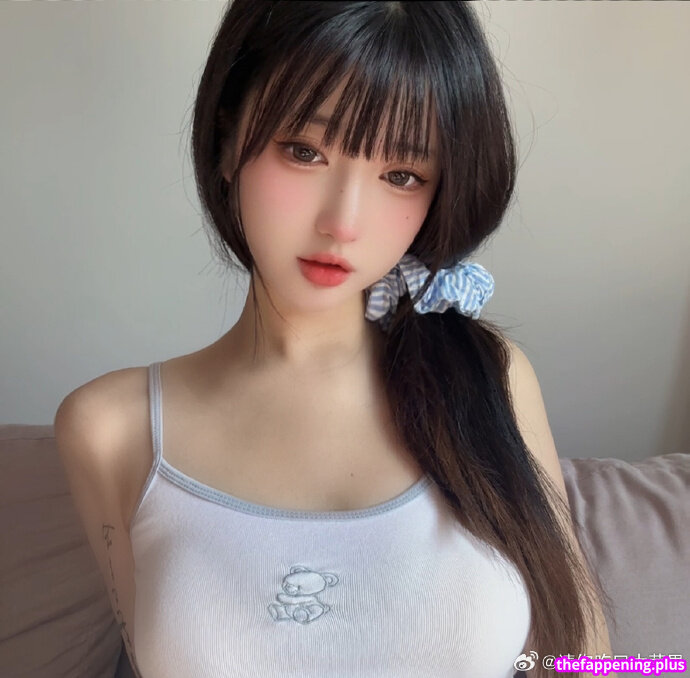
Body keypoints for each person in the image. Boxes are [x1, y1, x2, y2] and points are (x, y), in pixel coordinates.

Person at [54, 2, 616, 677]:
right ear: (229, 140)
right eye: (305, 151)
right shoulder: (110, 430)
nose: (343, 223)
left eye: (402, 175)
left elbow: (585, 660)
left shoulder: (489, 377)